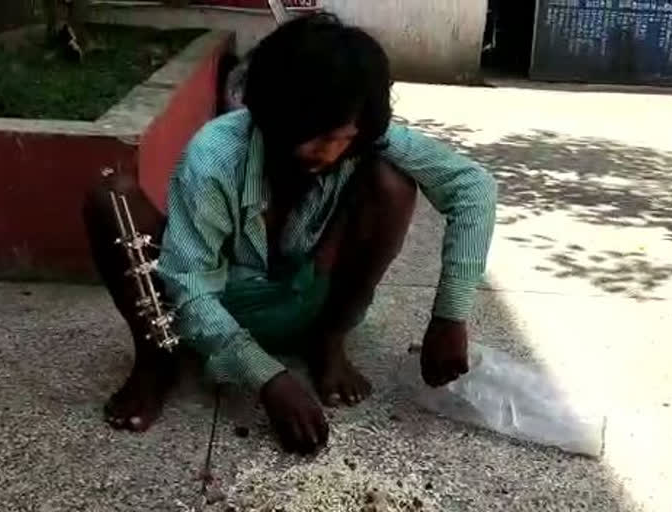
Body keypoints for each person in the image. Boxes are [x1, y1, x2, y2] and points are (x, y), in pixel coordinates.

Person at [82, 13, 496, 455]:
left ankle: (329, 340)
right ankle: (157, 361)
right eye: (313, 135)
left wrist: (450, 315)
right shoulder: (214, 155)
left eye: (341, 137)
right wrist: (269, 380)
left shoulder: (360, 135)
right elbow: (190, 291)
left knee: (393, 185)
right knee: (112, 198)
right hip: (217, 304)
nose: (329, 152)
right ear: (271, 115)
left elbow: (473, 186)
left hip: (306, 296)